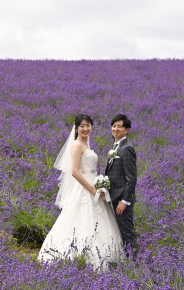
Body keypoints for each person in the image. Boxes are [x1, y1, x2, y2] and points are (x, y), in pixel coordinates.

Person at [37, 114, 123, 270]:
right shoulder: (77, 145)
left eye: (88, 125)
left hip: (93, 184)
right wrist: (92, 189)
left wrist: (99, 184)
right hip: (85, 188)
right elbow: (75, 172)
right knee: (81, 219)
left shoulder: (86, 144)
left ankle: (104, 256)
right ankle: (79, 257)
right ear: (76, 128)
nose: (86, 128)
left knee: (98, 220)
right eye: (82, 126)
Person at [105, 114, 139, 258]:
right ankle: (127, 259)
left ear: (127, 130)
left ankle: (135, 262)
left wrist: (124, 201)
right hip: (114, 196)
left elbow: (131, 179)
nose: (116, 129)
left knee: (126, 231)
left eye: (120, 126)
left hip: (121, 200)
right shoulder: (117, 146)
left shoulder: (127, 149)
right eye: (114, 126)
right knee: (120, 230)